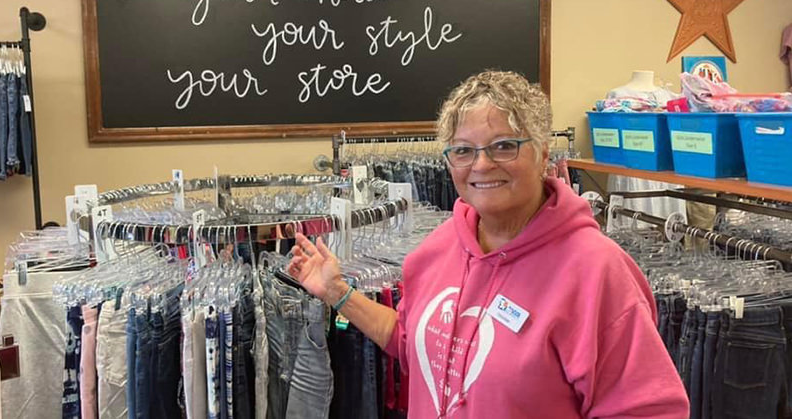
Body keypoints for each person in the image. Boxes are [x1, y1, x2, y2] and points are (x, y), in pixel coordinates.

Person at [287, 71, 689, 418]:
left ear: (543, 152)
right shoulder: (438, 248)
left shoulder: (597, 270)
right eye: (463, 150)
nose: (481, 165)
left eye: (503, 146)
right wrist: (337, 292)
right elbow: (410, 342)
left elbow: (648, 409)